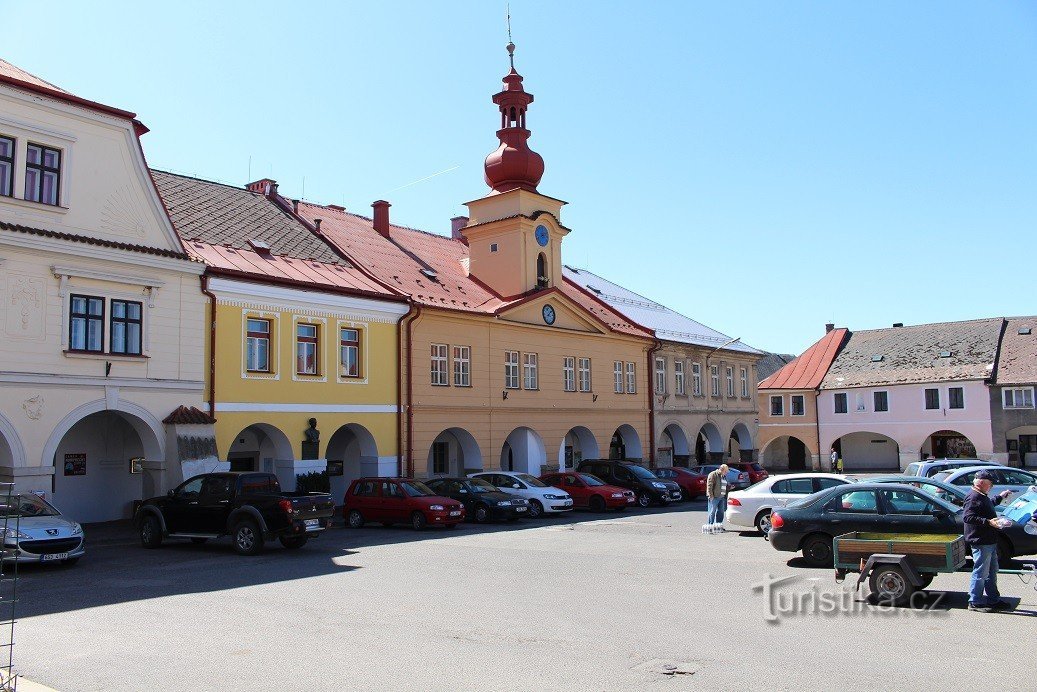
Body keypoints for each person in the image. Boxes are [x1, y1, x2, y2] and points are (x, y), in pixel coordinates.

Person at [962, 470, 1013, 612]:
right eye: (990, 484)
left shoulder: (981, 495)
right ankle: (975, 602)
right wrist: (989, 522)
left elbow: (987, 504)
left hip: (988, 540)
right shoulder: (973, 497)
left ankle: (993, 600)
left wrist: (1000, 497)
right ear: (981, 483)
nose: (990, 487)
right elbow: (968, 517)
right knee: (981, 573)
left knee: (991, 572)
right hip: (980, 541)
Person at [705, 464, 729, 534]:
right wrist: (711, 496)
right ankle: (710, 526)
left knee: (721, 512)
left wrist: (729, 488)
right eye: (726, 471)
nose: (727, 473)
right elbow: (709, 486)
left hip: (722, 497)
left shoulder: (724, 476)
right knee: (712, 512)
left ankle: (718, 526)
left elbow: (724, 485)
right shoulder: (713, 474)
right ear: (722, 470)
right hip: (714, 497)